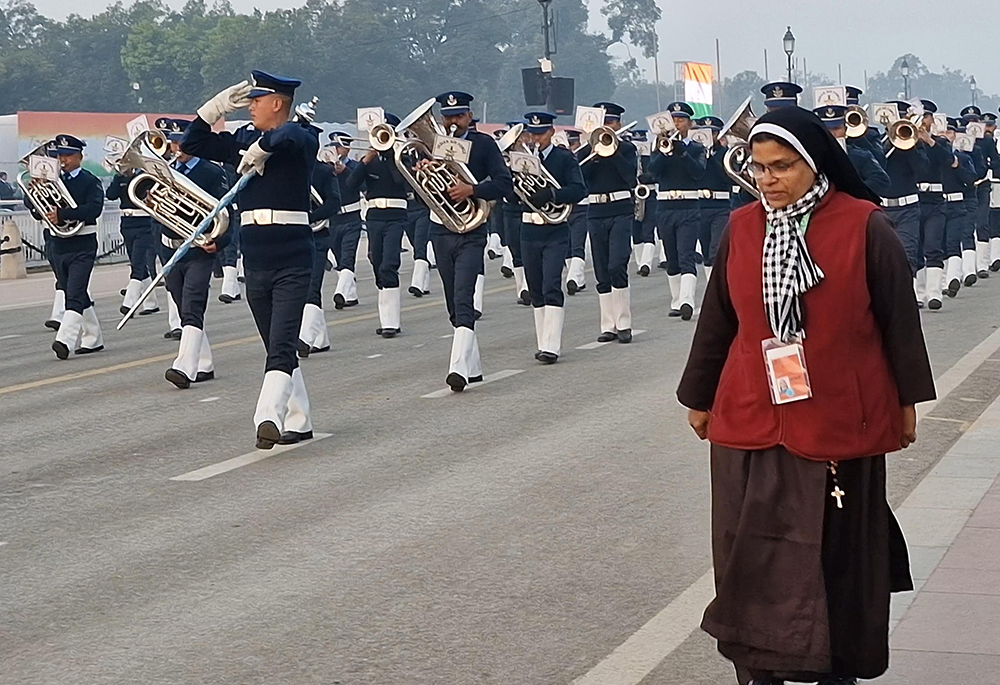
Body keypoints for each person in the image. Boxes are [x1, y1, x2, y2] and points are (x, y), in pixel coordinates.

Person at [677, 107, 935, 685]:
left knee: (834, 557)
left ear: (815, 164)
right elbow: (719, 319)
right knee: (747, 556)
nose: (766, 179)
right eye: (758, 167)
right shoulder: (743, 227)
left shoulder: (864, 226)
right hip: (750, 417)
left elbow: (899, 322)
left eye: (782, 167)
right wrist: (700, 397)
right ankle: (757, 672)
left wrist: (905, 404)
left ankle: (834, 669)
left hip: (842, 420)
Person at [182, 70, 319, 449]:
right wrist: (216, 107)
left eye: (257, 100)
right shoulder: (242, 138)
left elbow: (291, 135)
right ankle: (300, 418)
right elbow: (194, 142)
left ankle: (267, 417)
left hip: (292, 253)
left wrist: (265, 146)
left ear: (278, 103)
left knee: (280, 343)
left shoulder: (303, 138)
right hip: (256, 254)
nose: (251, 106)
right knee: (277, 343)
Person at [426, 90, 512, 391]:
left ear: (469, 116)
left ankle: (458, 369)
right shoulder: (431, 145)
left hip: (472, 230)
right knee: (453, 302)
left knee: (464, 297)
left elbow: (504, 183)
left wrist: (472, 190)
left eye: (458, 116)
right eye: (448, 116)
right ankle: (473, 366)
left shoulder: (484, 144)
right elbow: (408, 183)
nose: (453, 121)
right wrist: (420, 169)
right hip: (440, 228)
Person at [154, 119, 230, 388]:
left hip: (199, 249)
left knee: (193, 304)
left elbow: (227, 211)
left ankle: (184, 367)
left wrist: (219, 243)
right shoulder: (163, 171)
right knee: (184, 307)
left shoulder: (211, 172)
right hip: (171, 249)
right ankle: (204, 363)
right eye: (173, 141)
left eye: (182, 141)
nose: (177, 147)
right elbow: (156, 212)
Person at [24, 134, 105, 359]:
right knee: (71, 289)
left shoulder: (90, 181)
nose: (63, 160)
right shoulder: (51, 179)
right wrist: (33, 191)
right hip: (57, 243)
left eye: (68, 155)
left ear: (80, 156)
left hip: (82, 243)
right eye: (59, 155)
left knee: (75, 291)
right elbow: (33, 206)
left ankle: (64, 340)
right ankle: (94, 337)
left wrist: (63, 214)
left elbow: (93, 210)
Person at [518, 111, 586, 363]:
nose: (535, 138)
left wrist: (552, 195)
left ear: (551, 132)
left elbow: (579, 190)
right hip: (528, 229)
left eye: (540, 133)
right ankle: (542, 342)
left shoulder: (563, 158)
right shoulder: (522, 159)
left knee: (551, 285)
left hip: (554, 228)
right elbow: (512, 190)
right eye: (532, 133)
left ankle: (552, 346)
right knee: (535, 287)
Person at [579, 101, 637, 342]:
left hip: (621, 209)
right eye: (603, 123)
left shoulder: (627, 149)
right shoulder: (585, 153)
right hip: (596, 211)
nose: (607, 127)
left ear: (618, 124)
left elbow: (630, 177)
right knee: (602, 269)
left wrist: (612, 153)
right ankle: (608, 325)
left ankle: (624, 323)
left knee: (617, 265)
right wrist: (593, 154)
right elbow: (581, 180)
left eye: (611, 122)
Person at [345, 112, 407, 338]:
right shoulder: (369, 161)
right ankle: (385, 318)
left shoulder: (402, 157)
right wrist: (364, 162)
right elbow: (351, 184)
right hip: (374, 216)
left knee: (389, 263)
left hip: (396, 214)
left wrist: (392, 155)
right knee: (376, 261)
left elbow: (401, 181)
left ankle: (392, 322)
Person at [648, 101, 706, 320]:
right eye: (673, 120)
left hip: (689, 206)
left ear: (689, 123)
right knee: (671, 257)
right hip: (665, 206)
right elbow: (653, 171)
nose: (677, 123)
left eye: (681, 120)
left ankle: (687, 300)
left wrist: (683, 153)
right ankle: (676, 300)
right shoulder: (659, 146)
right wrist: (665, 153)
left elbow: (698, 173)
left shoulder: (696, 147)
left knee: (686, 255)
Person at [298, 140, 342, 357]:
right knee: (304, 286)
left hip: (318, 235)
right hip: (294, 236)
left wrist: (310, 217)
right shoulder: (287, 170)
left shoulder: (324, 171)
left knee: (311, 284)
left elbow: (334, 204)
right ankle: (321, 339)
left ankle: (305, 337)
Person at [106, 151, 159, 317]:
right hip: (127, 223)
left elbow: (145, 195)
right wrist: (120, 177)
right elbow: (111, 195)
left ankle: (130, 302)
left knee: (137, 262)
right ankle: (151, 303)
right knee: (139, 264)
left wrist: (132, 176)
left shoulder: (145, 178)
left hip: (144, 223)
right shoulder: (121, 178)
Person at [913, 99, 953, 309]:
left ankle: (934, 293)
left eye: (925, 117)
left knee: (933, 245)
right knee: (915, 248)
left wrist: (929, 141)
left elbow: (949, 160)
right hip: (916, 200)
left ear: (930, 120)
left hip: (936, 201)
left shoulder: (939, 143)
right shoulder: (906, 143)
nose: (923, 121)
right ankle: (918, 293)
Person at [327, 131, 363, 309]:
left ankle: (340, 293)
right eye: (334, 147)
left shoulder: (355, 167)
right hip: (334, 219)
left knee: (348, 257)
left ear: (347, 148)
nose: (336, 150)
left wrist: (345, 171)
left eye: (339, 146)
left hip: (352, 218)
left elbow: (361, 186)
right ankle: (351, 294)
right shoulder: (327, 168)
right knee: (340, 258)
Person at [696, 115, 732, 282]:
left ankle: (719, 285)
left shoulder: (726, 154)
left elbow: (728, 179)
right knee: (705, 248)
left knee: (716, 249)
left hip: (721, 205)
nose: (709, 136)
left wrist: (712, 159)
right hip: (700, 205)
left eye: (713, 133)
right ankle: (711, 285)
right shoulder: (695, 154)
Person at [564, 128, 591, 294]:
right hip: (564, 207)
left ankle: (573, 278)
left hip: (582, 205)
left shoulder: (587, 155)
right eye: (568, 145)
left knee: (577, 244)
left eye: (573, 144)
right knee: (567, 246)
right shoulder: (562, 158)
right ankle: (578, 279)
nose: (571, 148)